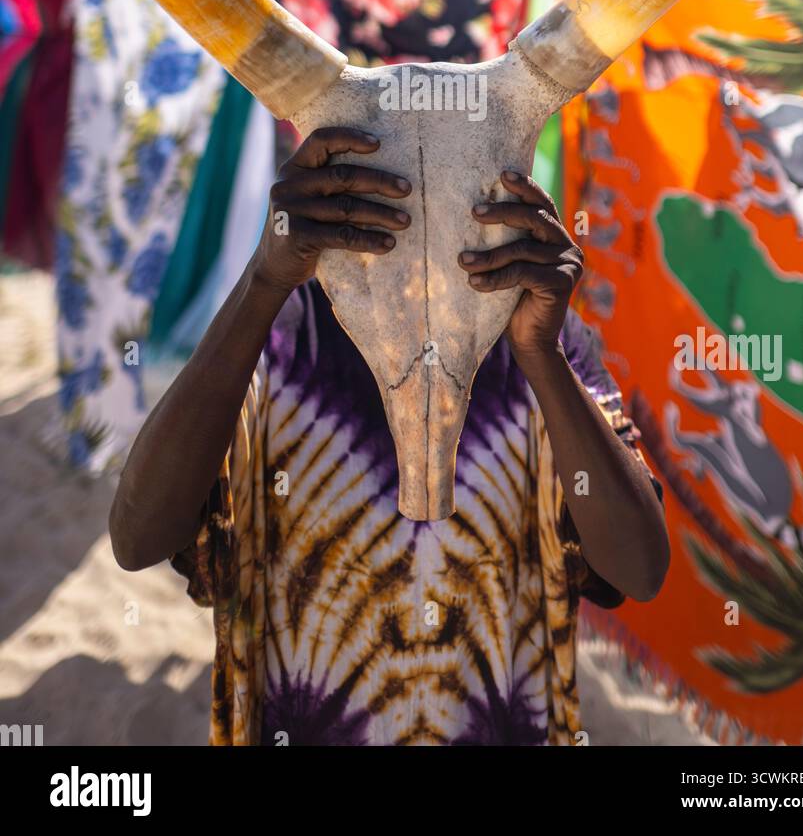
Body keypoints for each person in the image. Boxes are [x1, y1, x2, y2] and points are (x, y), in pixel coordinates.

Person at [110, 126, 669, 746]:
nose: (427, 221)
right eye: (400, 194)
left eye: (454, 191)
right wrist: (263, 283)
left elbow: (640, 569)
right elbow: (138, 538)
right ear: (347, 203)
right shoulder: (284, 336)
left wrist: (543, 353)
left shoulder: (534, 342)